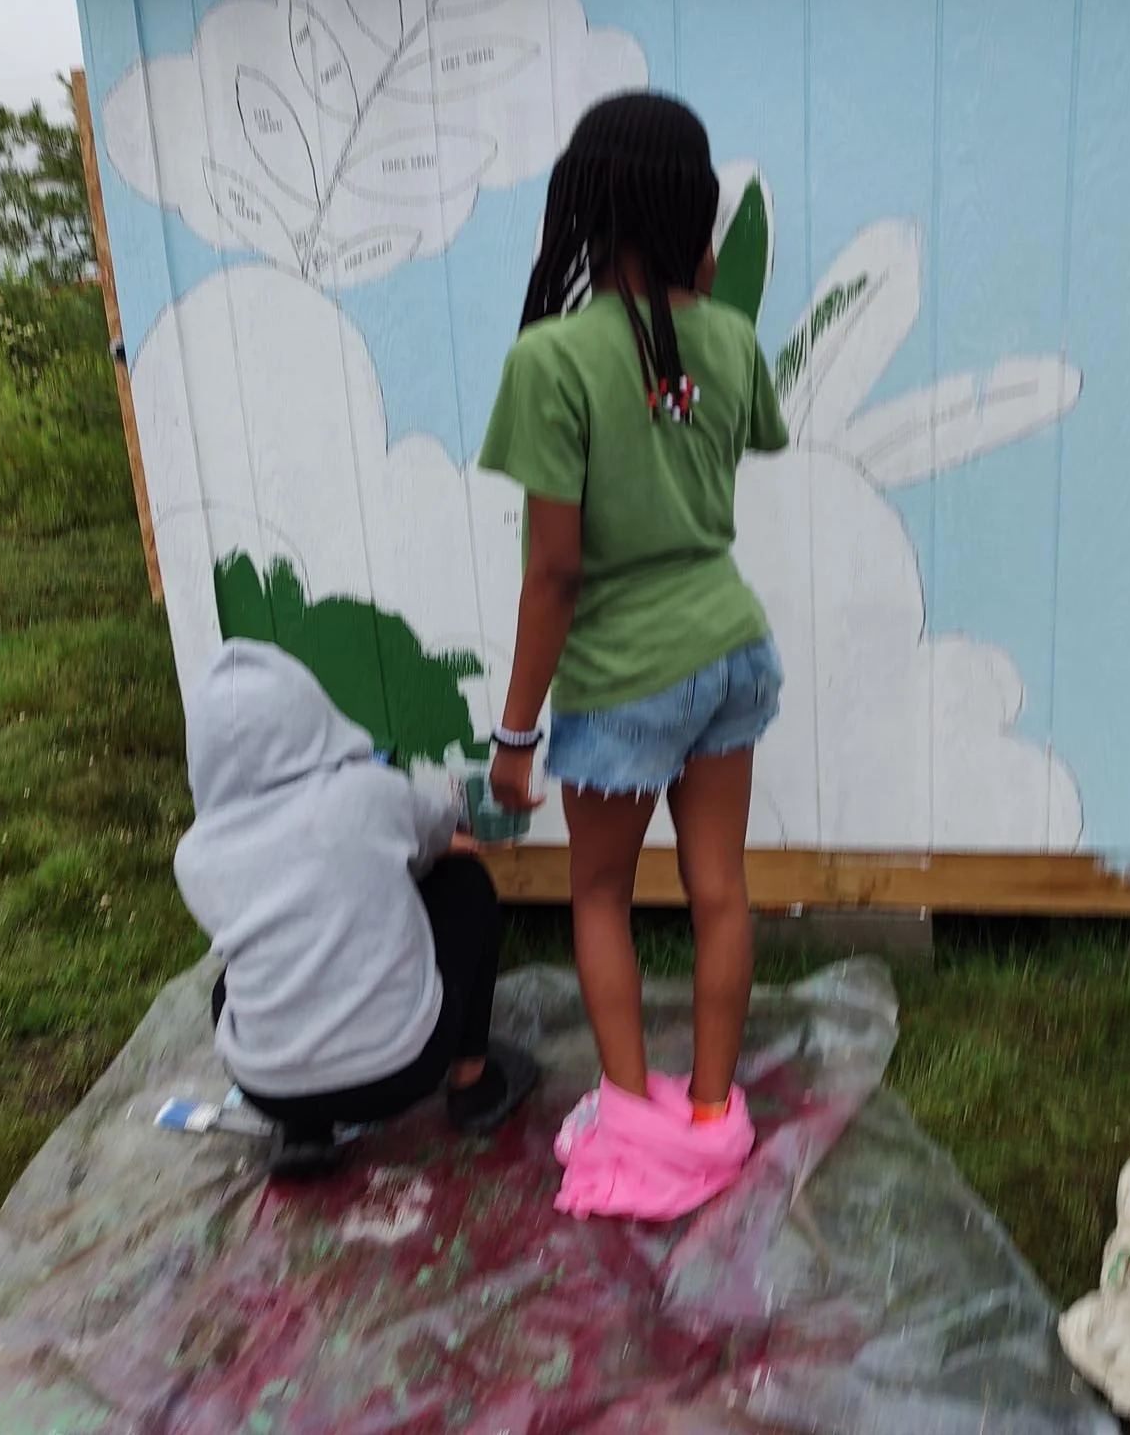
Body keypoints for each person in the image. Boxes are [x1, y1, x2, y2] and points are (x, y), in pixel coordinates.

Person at [478, 92, 788, 1221]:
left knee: (601, 895)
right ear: (690, 211)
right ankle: (708, 1116)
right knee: (720, 891)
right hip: (733, 647)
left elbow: (555, 572)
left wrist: (515, 737)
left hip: (626, 677)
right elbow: (727, 438)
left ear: (584, 208)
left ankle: (627, 1121)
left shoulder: (553, 359)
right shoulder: (731, 339)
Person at [173, 641, 539, 1178]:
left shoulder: (194, 854)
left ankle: (303, 1129)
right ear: (312, 716)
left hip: (265, 1087)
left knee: (232, 982)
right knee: (466, 884)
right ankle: (472, 1085)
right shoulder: (371, 792)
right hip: (400, 1073)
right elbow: (441, 832)